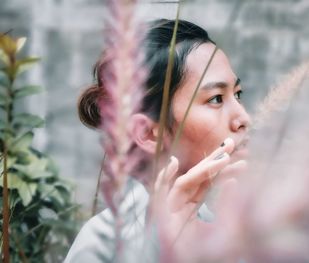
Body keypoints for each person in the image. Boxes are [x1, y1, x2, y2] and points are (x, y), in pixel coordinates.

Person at [65, 19, 251, 262]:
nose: (243, 118)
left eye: (237, 94)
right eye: (216, 99)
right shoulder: (103, 247)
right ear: (148, 133)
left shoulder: (213, 224)